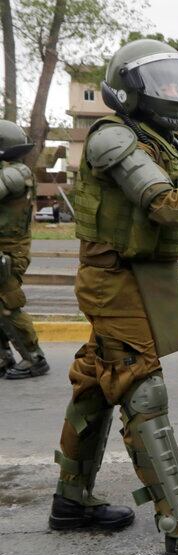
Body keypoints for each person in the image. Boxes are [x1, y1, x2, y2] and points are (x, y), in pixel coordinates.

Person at [47, 39, 178, 555]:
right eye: (165, 85)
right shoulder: (113, 136)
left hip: (136, 278)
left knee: (94, 381)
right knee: (140, 384)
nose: (177, 98)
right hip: (113, 280)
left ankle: (71, 498)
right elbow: (165, 204)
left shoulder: (153, 139)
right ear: (131, 90)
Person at [0, 119, 48, 379]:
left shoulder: (17, 172)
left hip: (9, 253)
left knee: (7, 304)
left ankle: (34, 357)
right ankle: (3, 356)